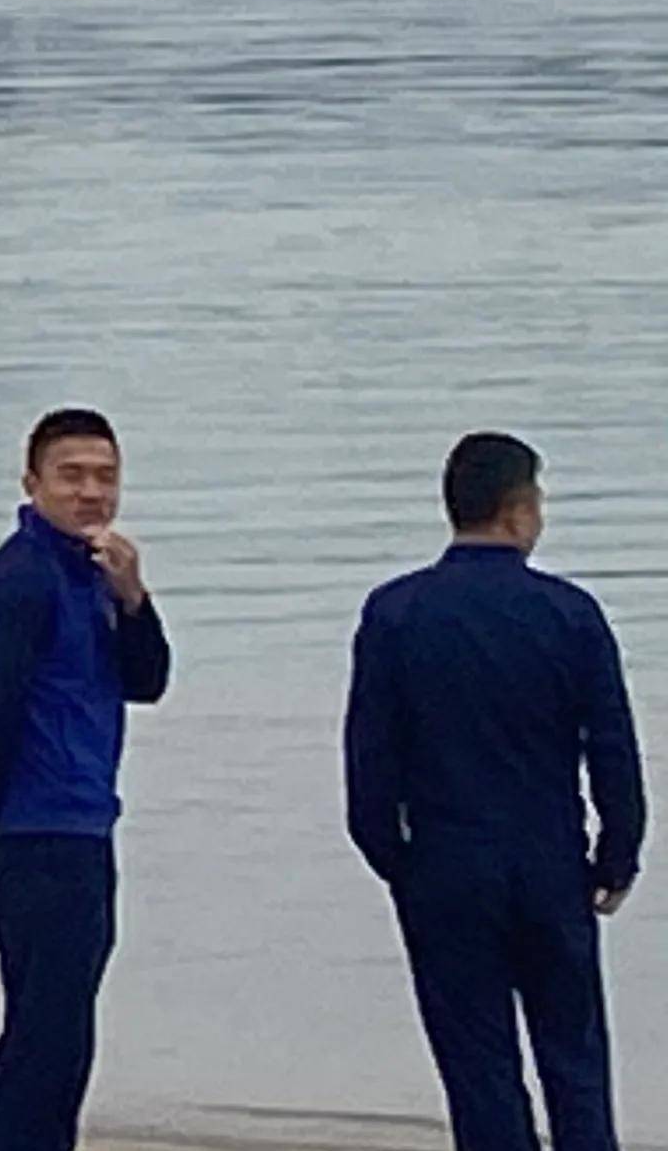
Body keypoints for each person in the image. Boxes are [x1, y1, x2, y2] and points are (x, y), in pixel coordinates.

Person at [345, 431, 643, 1151]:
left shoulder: (396, 613)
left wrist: (401, 864)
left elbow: (368, 768)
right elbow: (612, 752)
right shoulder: (570, 614)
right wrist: (617, 857)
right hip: (549, 864)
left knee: (479, 1069)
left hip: (445, 866)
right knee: (575, 1063)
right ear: (517, 511)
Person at [0, 408, 168, 1151]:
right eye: (72, 476)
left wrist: (135, 599)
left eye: (105, 476)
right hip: (38, 835)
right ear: (32, 482)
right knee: (47, 1039)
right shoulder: (23, 577)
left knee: (58, 1037)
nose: (91, 492)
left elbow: (148, 681)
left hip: (80, 822)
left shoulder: (91, 571)